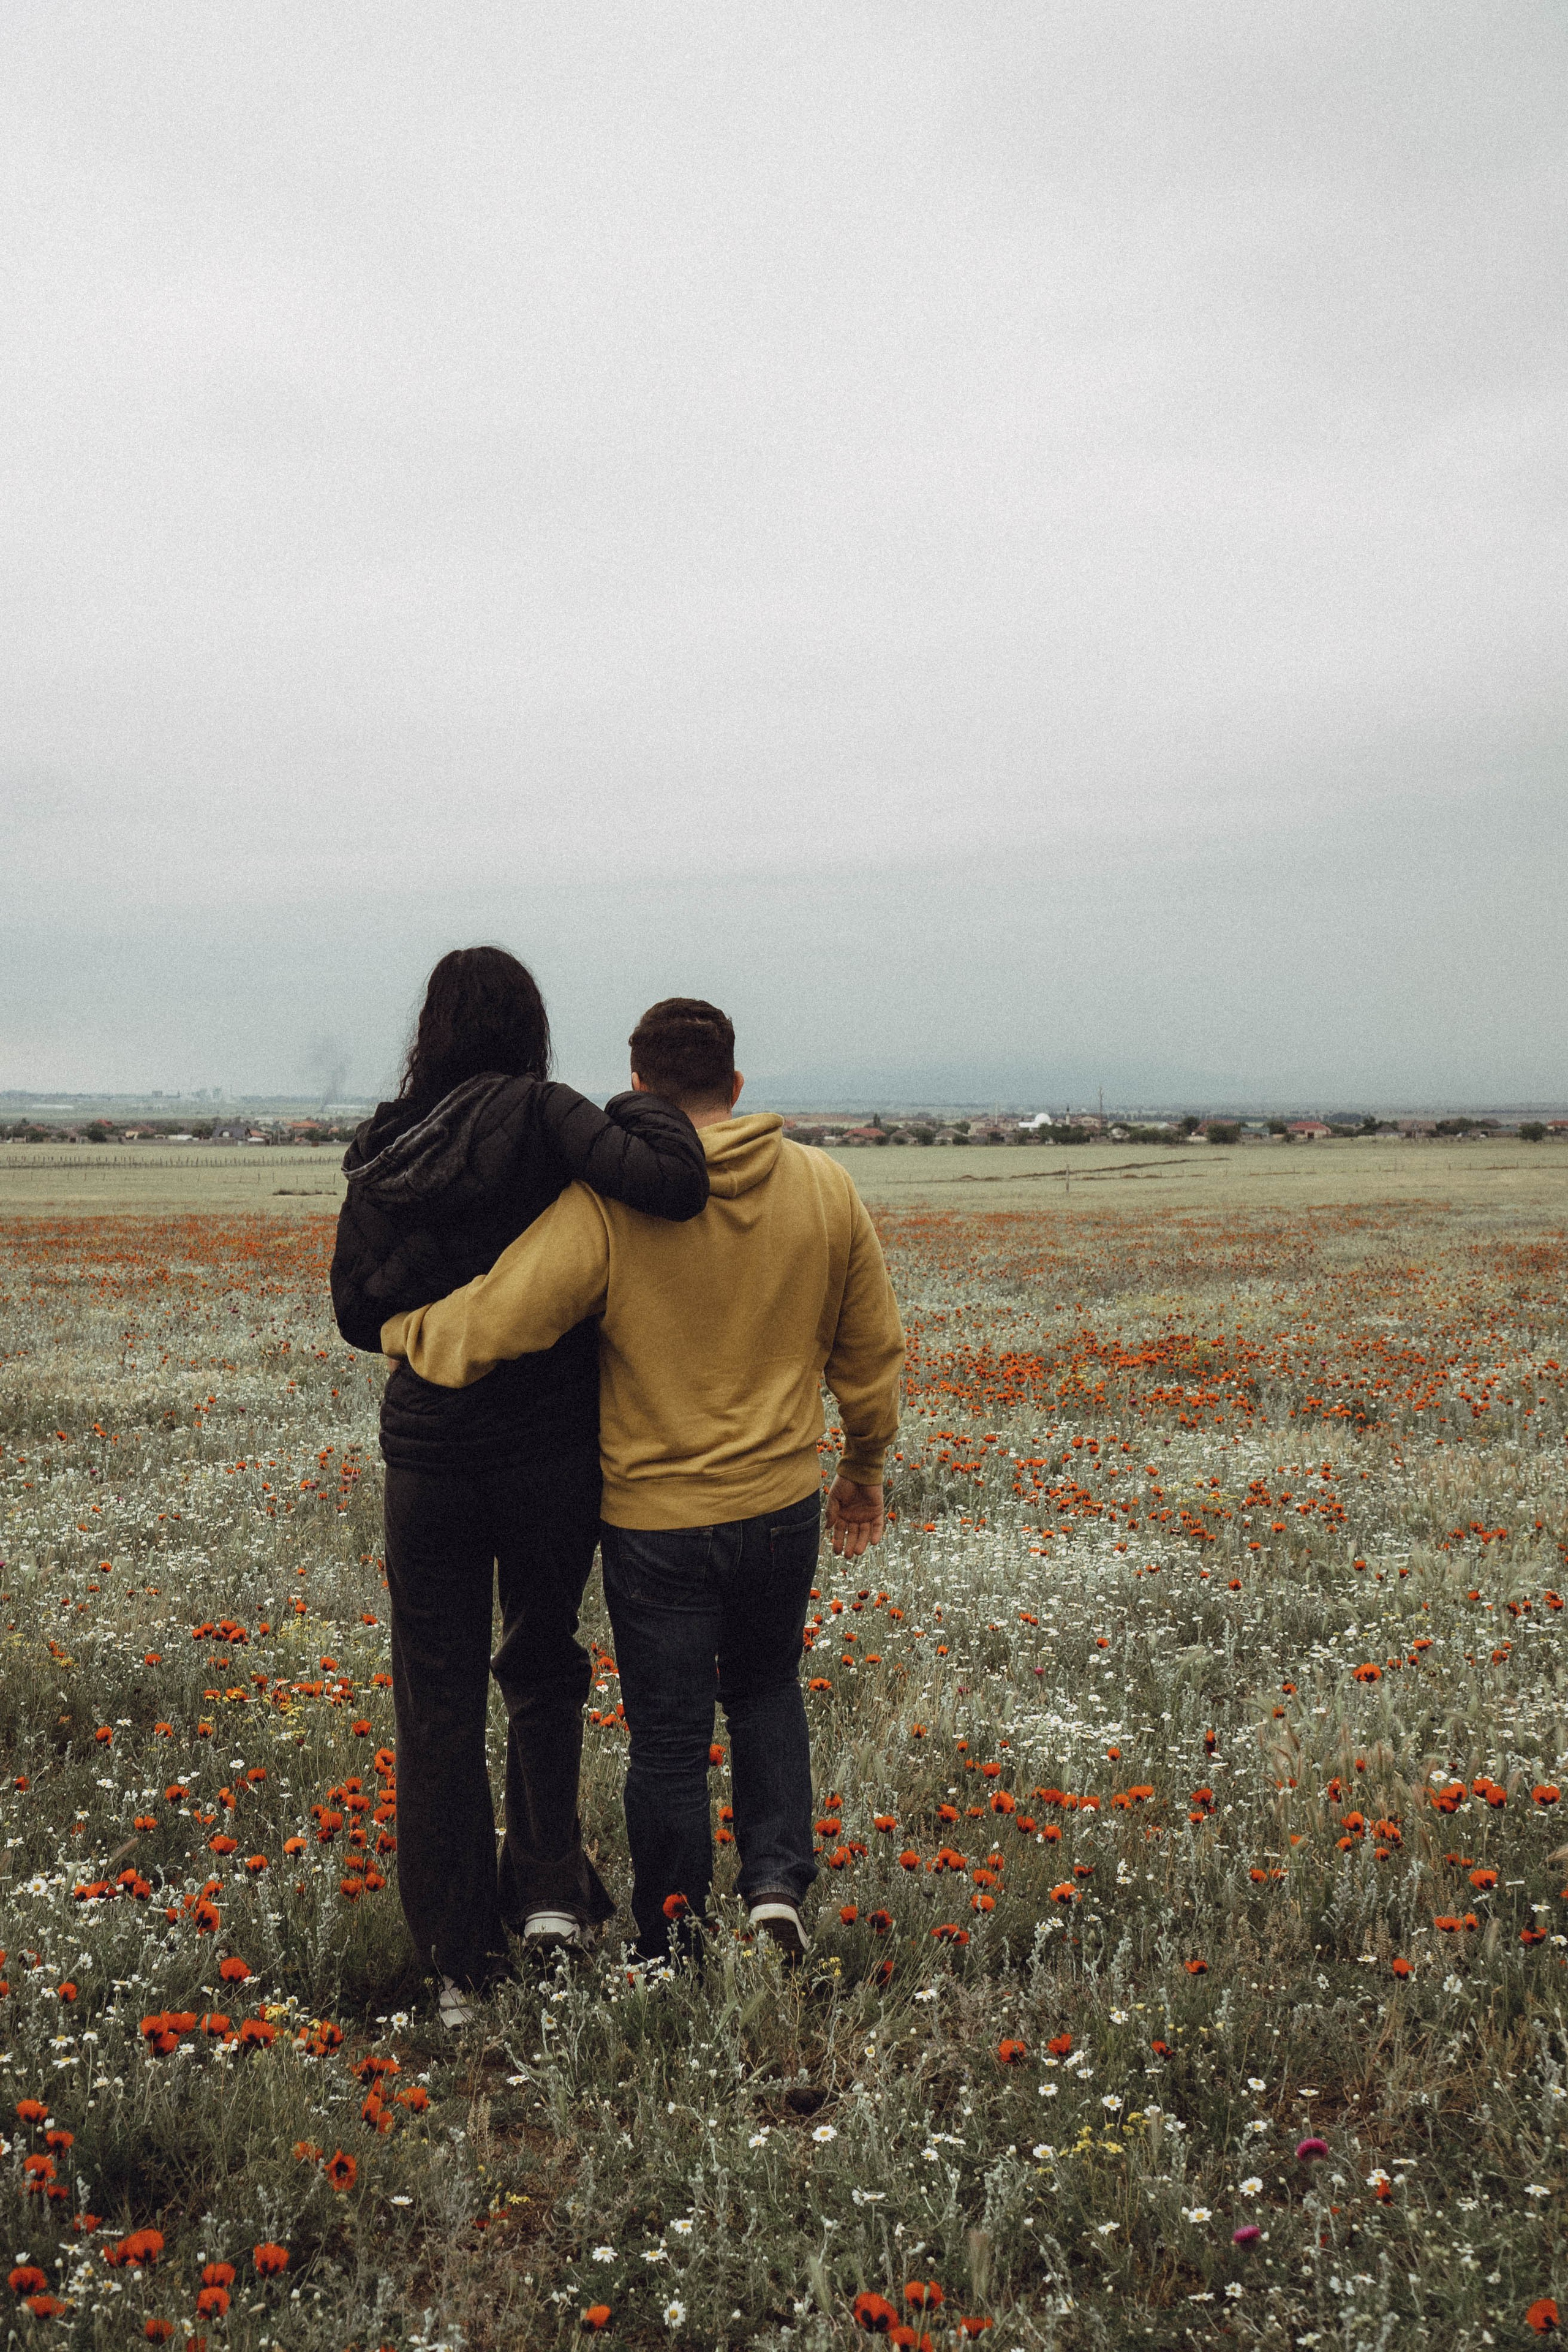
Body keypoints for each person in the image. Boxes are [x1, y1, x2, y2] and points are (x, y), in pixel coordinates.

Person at [380, 997, 904, 1966]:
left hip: (656, 1521)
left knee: (668, 1739)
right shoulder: (826, 1188)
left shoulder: (614, 1204)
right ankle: (776, 1889)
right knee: (767, 1691)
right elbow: (871, 1354)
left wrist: (405, 1331)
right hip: (782, 1505)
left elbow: (500, 1317)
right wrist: (862, 1470)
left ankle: (669, 1937)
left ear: (636, 1087)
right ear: (736, 1083)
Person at [330, 949, 709, 2026]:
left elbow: (355, 1313)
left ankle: (457, 1963)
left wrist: (435, 1284)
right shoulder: (549, 1115)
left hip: (429, 1459)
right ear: (529, 1027)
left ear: (432, 1030)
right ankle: (548, 1900)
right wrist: (638, 1104)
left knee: (435, 1700)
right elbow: (674, 1184)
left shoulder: (388, 1143)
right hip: (548, 1450)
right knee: (543, 1665)